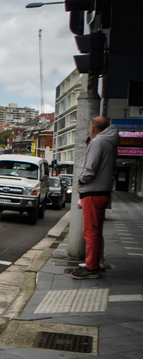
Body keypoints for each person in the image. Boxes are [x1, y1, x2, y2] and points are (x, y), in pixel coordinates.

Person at [70, 116, 119, 280]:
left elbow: (89, 170)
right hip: (103, 192)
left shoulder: (97, 142)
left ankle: (91, 267)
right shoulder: (110, 142)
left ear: (93, 128)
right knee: (96, 232)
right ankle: (94, 263)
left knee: (90, 232)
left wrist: (80, 182)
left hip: (93, 192)